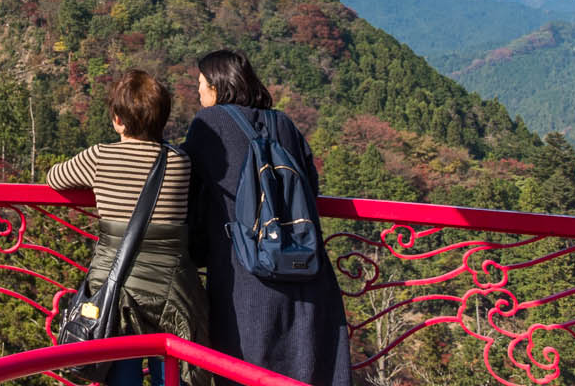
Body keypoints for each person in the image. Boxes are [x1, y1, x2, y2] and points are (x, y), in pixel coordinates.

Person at [182, 50, 351, 386]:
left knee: (244, 371)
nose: (198, 93)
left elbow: (185, 188)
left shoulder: (209, 124)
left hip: (247, 274)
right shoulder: (283, 123)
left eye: (200, 85)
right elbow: (309, 188)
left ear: (217, 86)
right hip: (306, 271)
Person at [47, 70, 209, 386]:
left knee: (120, 371)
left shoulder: (100, 156)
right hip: (171, 293)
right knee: (172, 372)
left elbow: (55, 178)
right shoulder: (181, 163)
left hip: (114, 289)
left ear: (118, 120)